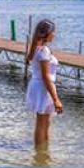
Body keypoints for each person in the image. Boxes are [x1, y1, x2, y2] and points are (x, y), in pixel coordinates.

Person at [25, 19, 64, 148]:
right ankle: (40, 156)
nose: (54, 35)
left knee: (45, 123)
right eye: (53, 32)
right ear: (47, 33)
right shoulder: (43, 51)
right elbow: (46, 77)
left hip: (39, 85)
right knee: (42, 123)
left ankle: (43, 154)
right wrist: (56, 99)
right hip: (43, 87)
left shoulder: (36, 48)